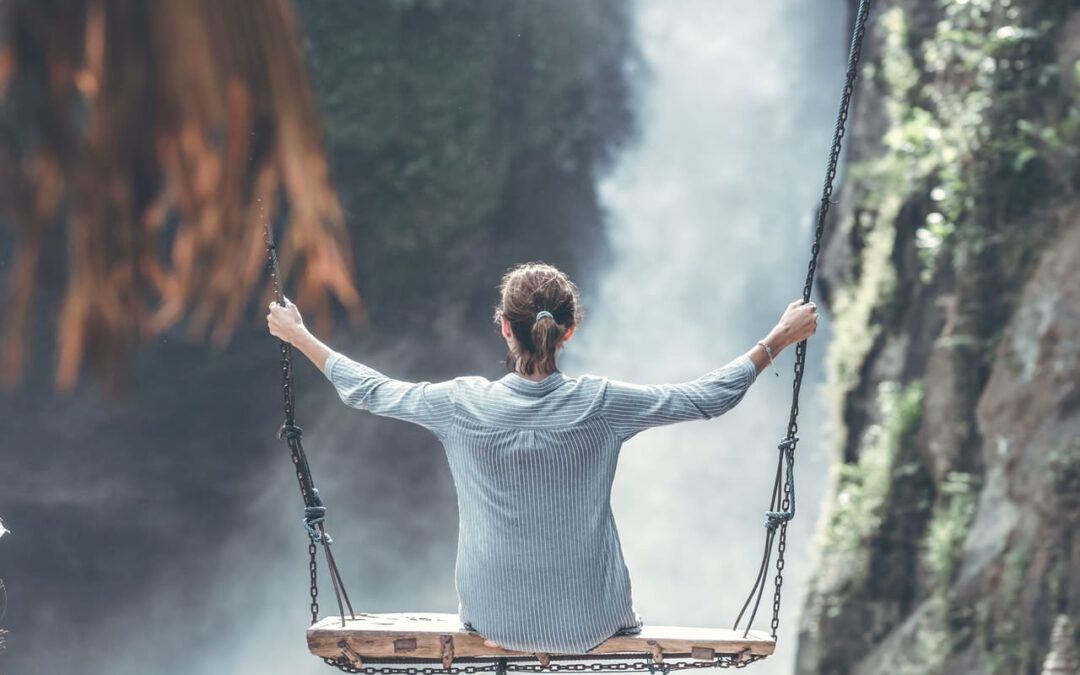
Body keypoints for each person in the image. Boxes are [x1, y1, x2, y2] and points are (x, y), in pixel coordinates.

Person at [266, 261, 818, 655]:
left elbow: (371, 390)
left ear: (504, 327)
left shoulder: (460, 405)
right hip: (594, 623)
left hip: (493, 619)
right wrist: (777, 338)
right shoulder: (604, 404)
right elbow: (706, 399)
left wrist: (300, 336)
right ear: (568, 332)